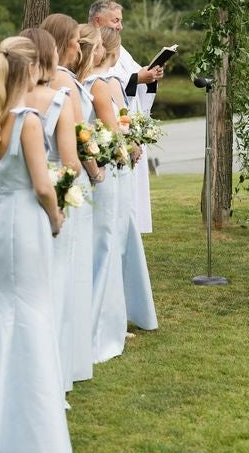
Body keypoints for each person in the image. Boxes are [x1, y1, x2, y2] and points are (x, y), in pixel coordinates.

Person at [0, 36, 73, 453]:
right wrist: (56, 218)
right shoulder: (29, 121)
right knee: (33, 307)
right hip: (28, 221)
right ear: (27, 68)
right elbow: (41, 185)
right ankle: (33, 424)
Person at [40, 13, 104, 385]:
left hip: (47, 175)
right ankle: (72, 353)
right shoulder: (64, 81)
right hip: (66, 178)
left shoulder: (43, 77)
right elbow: (80, 138)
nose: (80, 47)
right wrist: (95, 170)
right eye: (77, 42)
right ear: (66, 42)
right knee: (71, 267)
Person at [20, 27, 83, 395]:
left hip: (8, 209)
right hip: (51, 197)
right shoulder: (57, 97)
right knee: (55, 282)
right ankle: (53, 368)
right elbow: (71, 161)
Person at [74, 23, 128, 363]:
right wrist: (129, 147)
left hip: (97, 165)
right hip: (103, 169)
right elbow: (112, 129)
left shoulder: (82, 83)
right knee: (107, 244)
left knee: (100, 243)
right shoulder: (101, 84)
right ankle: (100, 328)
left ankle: (106, 320)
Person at [99, 26, 158, 333]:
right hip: (110, 166)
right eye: (116, 19)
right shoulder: (100, 83)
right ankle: (111, 313)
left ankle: (121, 306)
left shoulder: (106, 78)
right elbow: (113, 122)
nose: (120, 24)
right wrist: (130, 143)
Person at [88, 0, 164, 233]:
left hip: (125, 126)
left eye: (121, 21)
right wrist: (138, 79)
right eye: (115, 20)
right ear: (98, 21)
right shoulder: (89, 47)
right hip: (107, 132)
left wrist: (150, 76)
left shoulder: (120, 49)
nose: (120, 26)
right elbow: (101, 81)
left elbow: (130, 74)